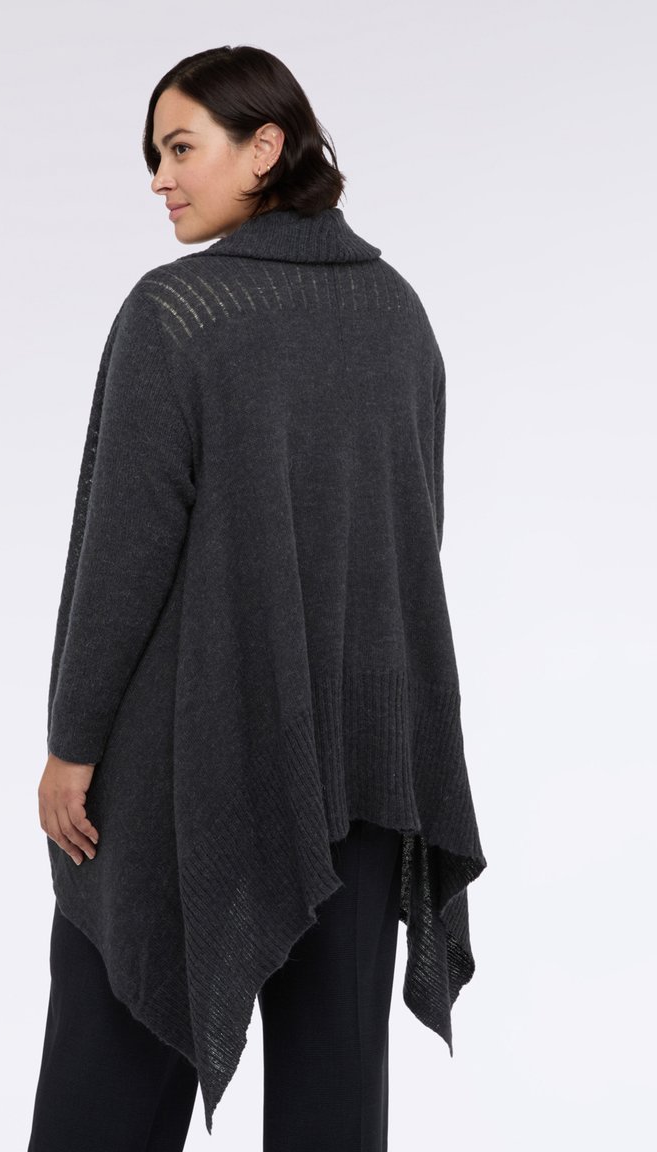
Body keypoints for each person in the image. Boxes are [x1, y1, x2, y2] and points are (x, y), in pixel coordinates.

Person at [27, 44, 487, 1152]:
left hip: (191, 765)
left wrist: (72, 744)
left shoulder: (178, 313)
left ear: (264, 147)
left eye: (180, 147)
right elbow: (412, 530)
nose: (159, 177)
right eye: (154, 154)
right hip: (365, 763)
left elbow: (120, 558)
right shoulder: (398, 312)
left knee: (111, 1068)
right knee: (335, 1099)